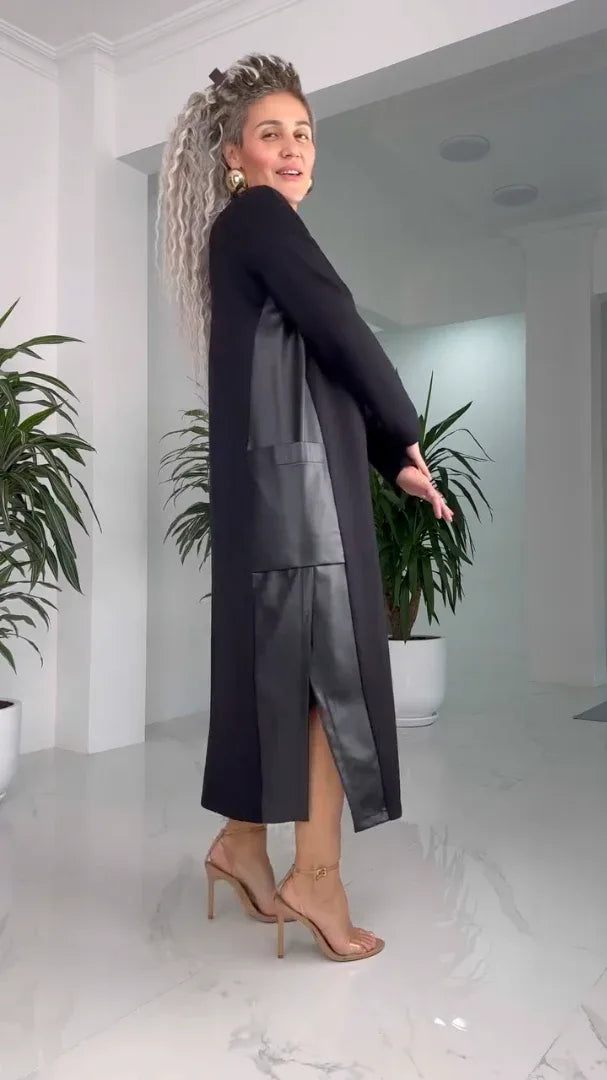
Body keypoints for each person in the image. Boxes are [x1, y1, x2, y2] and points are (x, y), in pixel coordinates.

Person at [158, 53, 453, 963]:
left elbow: (308, 363)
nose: (291, 148)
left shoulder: (240, 232)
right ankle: (315, 875)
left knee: (277, 671)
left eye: (302, 132)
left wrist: (385, 459)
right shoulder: (259, 216)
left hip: (275, 491)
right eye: (269, 133)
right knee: (330, 680)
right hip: (301, 499)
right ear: (233, 155)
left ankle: (242, 844)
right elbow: (340, 331)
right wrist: (403, 431)